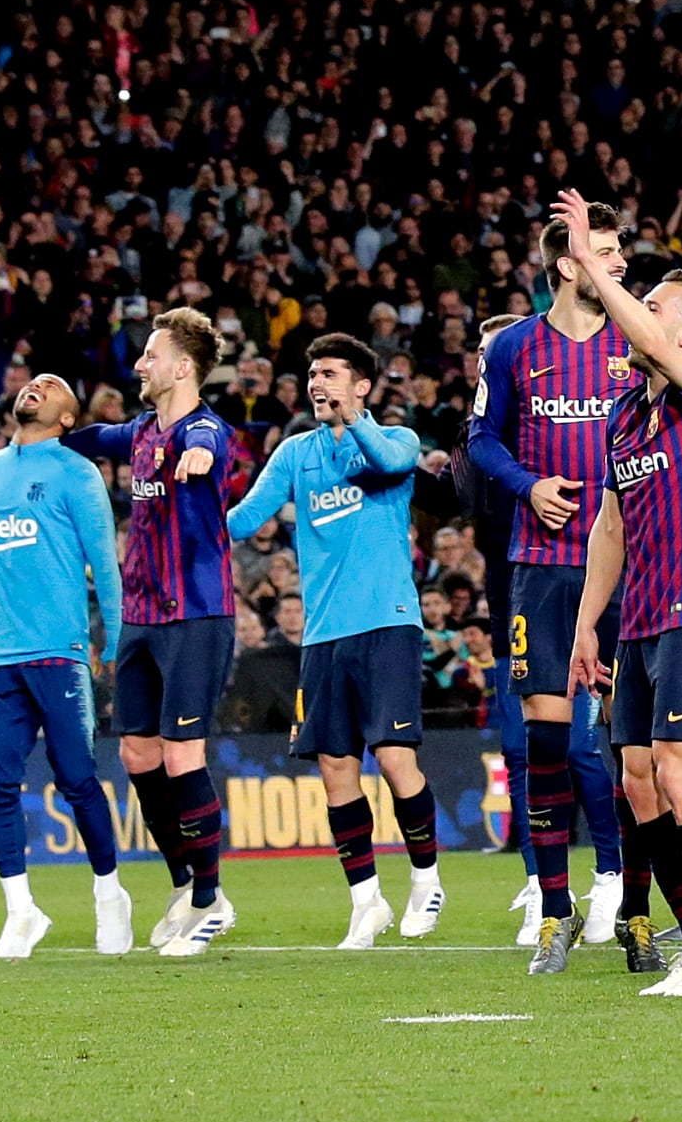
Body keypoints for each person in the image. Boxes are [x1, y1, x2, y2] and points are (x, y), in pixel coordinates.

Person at [558, 200, 682, 997]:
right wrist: (585, 625)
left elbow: (638, 334)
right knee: (640, 782)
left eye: (656, 308)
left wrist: (594, 265)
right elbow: (609, 524)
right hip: (640, 623)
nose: (640, 314)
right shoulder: (625, 416)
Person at [233, 334, 447, 953]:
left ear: (362, 385)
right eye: (311, 373)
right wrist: (190, 524)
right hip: (324, 635)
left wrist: (353, 419)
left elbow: (385, 462)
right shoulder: (296, 453)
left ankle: (426, 879)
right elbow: (249, 518)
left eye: (329, 372)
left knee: (395, 756)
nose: (316, 382)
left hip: (387, 621)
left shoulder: (398, 440)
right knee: (334, 766)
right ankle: (365, 901)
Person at [470, 198, 641, 950]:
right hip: (540, 567)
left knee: (631, 745)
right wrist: (528, 485)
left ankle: (626, 893)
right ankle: (554, 904)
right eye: (605, 251)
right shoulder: (512, 349)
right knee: (546, 739)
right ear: (569, 265)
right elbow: (480, 437)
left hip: (630, 566)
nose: (621, 261)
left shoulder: (635, 345)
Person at [65, 306, 248, 956]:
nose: (140, 364)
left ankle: (210, 899)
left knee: (181, 754)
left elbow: (210, 445)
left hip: (195, 615)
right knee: (138, 755)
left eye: (150, 354)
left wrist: (199, 458)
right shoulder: (142, 431)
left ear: (183, 366)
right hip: (140, 616)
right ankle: (183, 884)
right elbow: (94, 438)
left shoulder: (204, 429)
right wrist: (54, 429)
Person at [0, 371, 129, 957]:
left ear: (66, 419)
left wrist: (116, 638)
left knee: (77, 779)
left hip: (60, 652)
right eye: (32, 381)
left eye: (53, 385)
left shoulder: (77, 473)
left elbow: (104, 562)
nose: (36, 386)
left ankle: (109, 894)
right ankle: (21, 911)